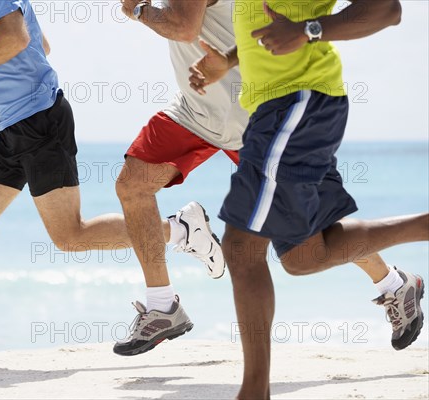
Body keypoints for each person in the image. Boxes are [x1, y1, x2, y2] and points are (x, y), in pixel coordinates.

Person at [0, 0, 218, 368]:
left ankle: (179, 230)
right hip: (9, 129)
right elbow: (39, 46)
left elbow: (17, 38)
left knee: (70, 236)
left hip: (39, 123)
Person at [188, 0, 427, 397]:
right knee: (303, 257)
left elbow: (388, 9)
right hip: (280, 110)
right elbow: (272, 21)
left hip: (299, 102)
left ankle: (254, 392)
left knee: (241, 247)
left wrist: (309, 31)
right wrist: (229, 60)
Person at [113, 0, 249, 356]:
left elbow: (184, 27)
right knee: (133, 185)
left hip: (246, 115)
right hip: (195, 111)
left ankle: (390, 281)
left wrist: (140, 11)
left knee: (307, 223)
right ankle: (163, 307)